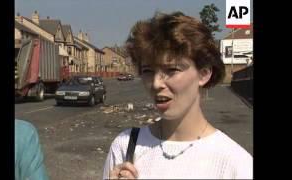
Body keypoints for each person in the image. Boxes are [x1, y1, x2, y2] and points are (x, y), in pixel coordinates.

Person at [103, 11, 252, 179]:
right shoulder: (125, 147)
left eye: (172, 69)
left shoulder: (236, 165)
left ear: (203, 74)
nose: (156, 83)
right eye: (148, 71)